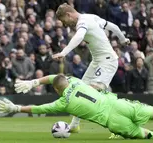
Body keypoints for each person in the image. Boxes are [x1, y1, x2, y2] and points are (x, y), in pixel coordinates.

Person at [0, 74, 153, 140]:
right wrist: (37, 81)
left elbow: (38, 109)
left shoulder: (62, 101)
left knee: (148, 134)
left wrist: (16, 108)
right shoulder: (77, 81)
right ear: (67, 80)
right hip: (122, 105)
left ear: (58, 90)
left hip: (114, 121)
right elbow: (55, 77)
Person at [52, 3, 130, 135]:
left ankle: (122, 123)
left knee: (94, 90)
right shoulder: (91, 17)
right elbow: (114, 27)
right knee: (78, 90)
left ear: (68, 15)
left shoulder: (82, 23)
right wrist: (123, 39)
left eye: (63, 21)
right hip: (97, 62)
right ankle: (75, 125)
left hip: (107, 61)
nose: (65, 24)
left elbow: (79, 36)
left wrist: (64, 52)